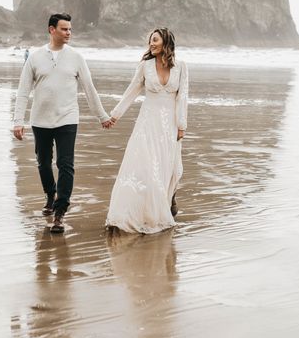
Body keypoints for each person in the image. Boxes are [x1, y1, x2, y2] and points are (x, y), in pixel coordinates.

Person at [13, 13, 112, 233]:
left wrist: (102, 116)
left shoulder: (76, 57)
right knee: (43, 162)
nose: (69, 33)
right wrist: (18, 121)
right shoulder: (35, 57)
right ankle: (50, 194)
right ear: (52, 30)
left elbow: (89, 89)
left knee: (66, 165)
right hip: (40, 120)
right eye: (64, 29)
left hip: (67, 119)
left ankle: (60, 212)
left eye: (70, 29)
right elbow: (23, 91)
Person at [106, 27, 188, 234]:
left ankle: (162, 207)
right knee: (142, 167)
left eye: (155, 40)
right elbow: (132, 91)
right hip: (147, 124)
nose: (151, 44)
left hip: (169, 126)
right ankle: (134, 213)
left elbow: (182, 97)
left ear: (166, 43)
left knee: (167, 168)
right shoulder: (145, 65)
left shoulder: (181, 67)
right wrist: (114, 115)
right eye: (150, 41)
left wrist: (181, 126)